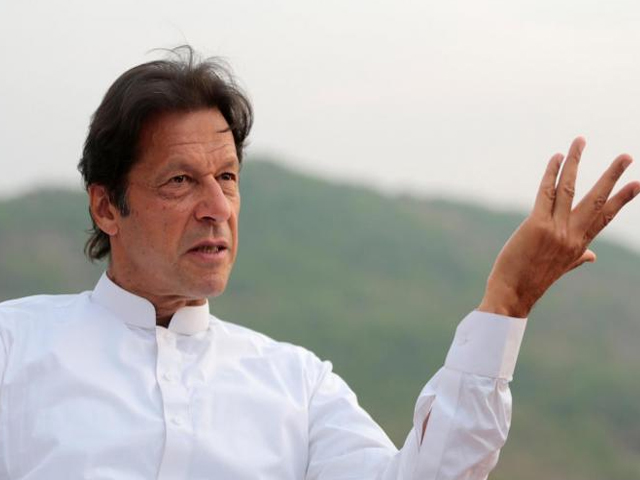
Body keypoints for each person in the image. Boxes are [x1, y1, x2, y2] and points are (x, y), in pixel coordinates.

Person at [0, 47, 637, 480]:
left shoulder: (297, 386)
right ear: (107, 206)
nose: (216, 206)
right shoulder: (14, 349)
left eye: (227, 176)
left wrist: (507, 304)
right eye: (179, 182)